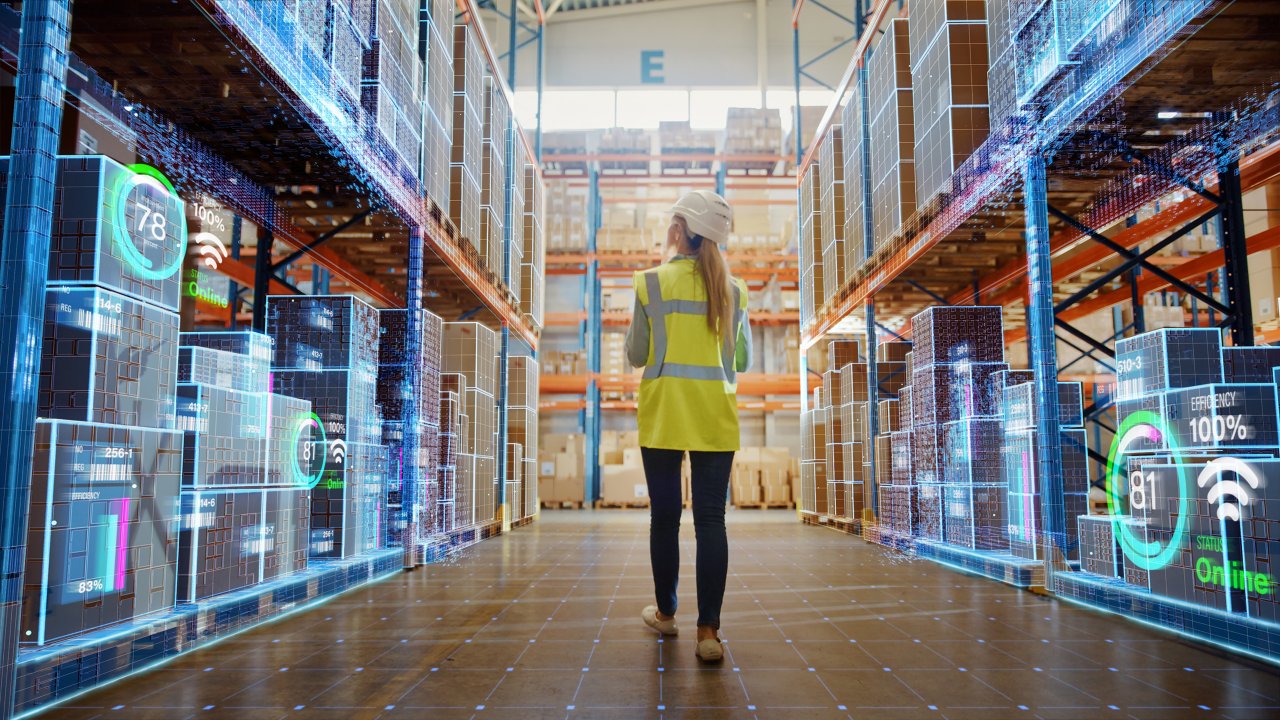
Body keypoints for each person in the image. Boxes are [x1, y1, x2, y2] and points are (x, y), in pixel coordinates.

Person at [624, 190, 751, 663]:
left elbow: (637, 354)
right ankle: (709, 634)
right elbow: (742, 359)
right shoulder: (734, 292)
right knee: (711, 522)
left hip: (663, 417)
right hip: (715, 419)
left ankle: (666, 612)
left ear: (680, 231)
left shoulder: (650, 284)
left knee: (665, 519)